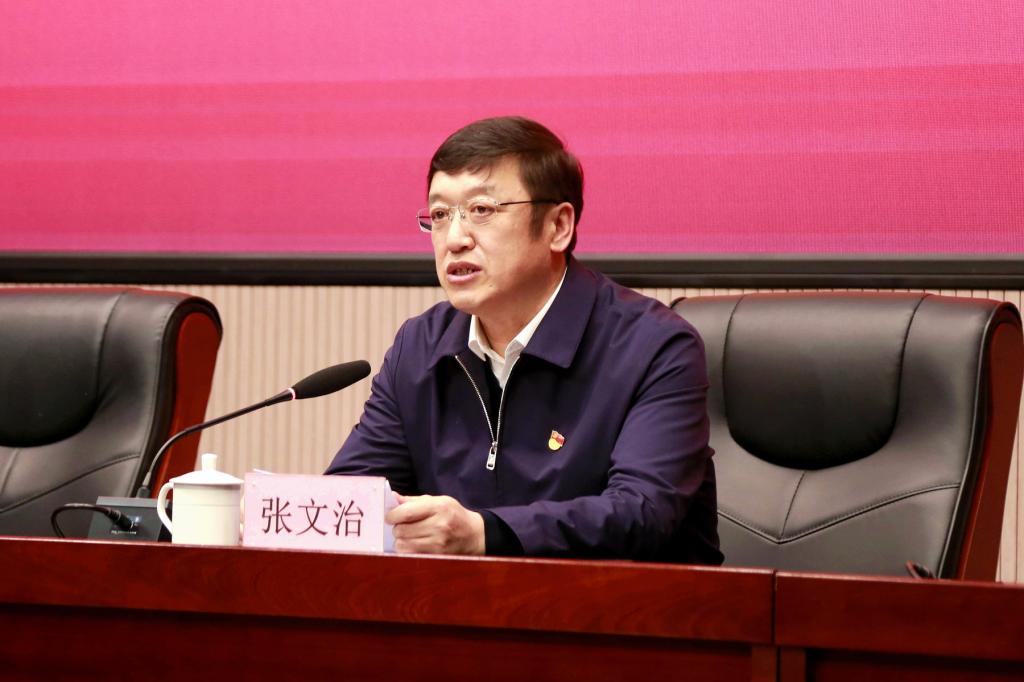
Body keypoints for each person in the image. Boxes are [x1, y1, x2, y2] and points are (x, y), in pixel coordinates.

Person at [326, 116, 722, 563]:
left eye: (482, 210)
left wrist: (484, 534)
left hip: (625, 603)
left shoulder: (653, 346)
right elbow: (354, 493)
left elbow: (641, 513)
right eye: (439, 215)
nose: (454, 239)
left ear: (558, 227)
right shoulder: (420, 346)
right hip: (459, 603)